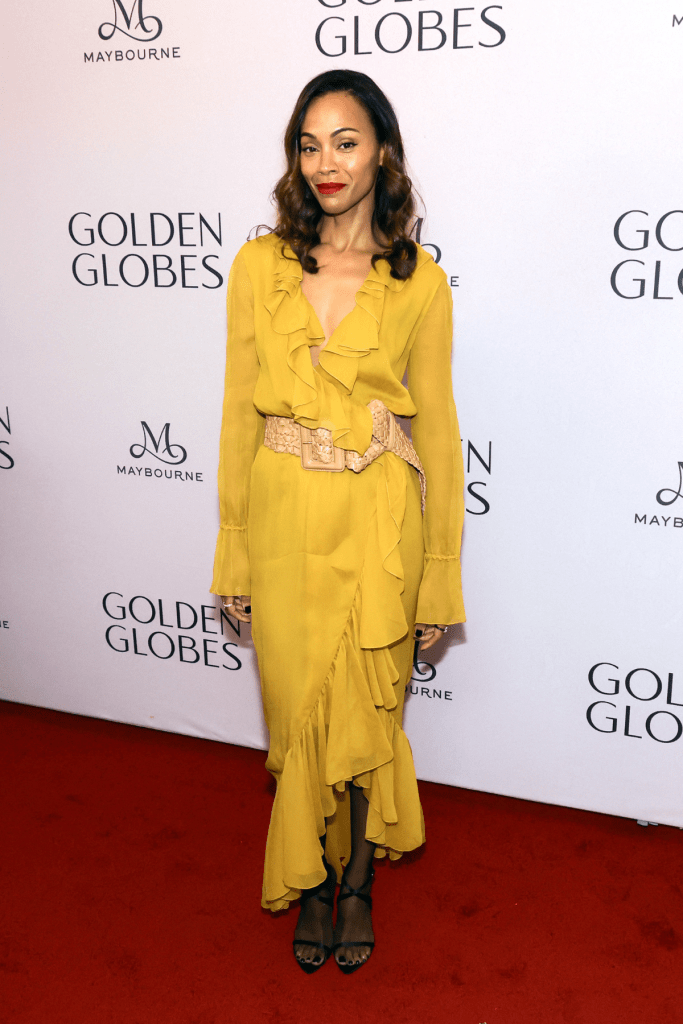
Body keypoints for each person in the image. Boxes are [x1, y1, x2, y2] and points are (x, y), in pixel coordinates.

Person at [210, 69, 465, 974]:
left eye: (345, 141)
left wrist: (439, 574)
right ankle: (310, 882)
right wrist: (231, 554)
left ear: (382, 151)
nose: (326, 162)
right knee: (293, 719)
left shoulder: (418, 282)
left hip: (378, 522)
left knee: (369, 715)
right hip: (282, 517)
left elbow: (437, 428)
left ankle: (353, 884)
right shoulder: (257, 267)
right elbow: (240, 412)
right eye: (309, 144)